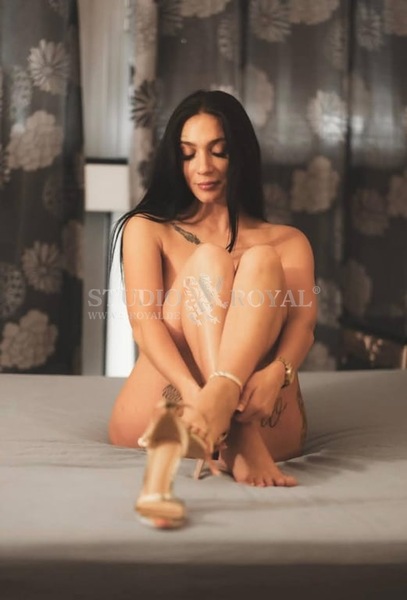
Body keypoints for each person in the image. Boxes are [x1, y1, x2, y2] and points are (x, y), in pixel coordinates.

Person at [108, 90, 317, 529]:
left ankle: (223, 410)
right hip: (172, 402)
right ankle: (232, 428)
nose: (202, 167)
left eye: (218, 151)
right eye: (188, 154)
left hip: (266, 416)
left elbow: (302, 326)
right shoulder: (148, 229)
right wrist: (199, 397)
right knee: (210, 260)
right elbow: (144, 326)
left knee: (261, 262)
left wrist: (275, 373)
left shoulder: (287, 242)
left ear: (241, 155)